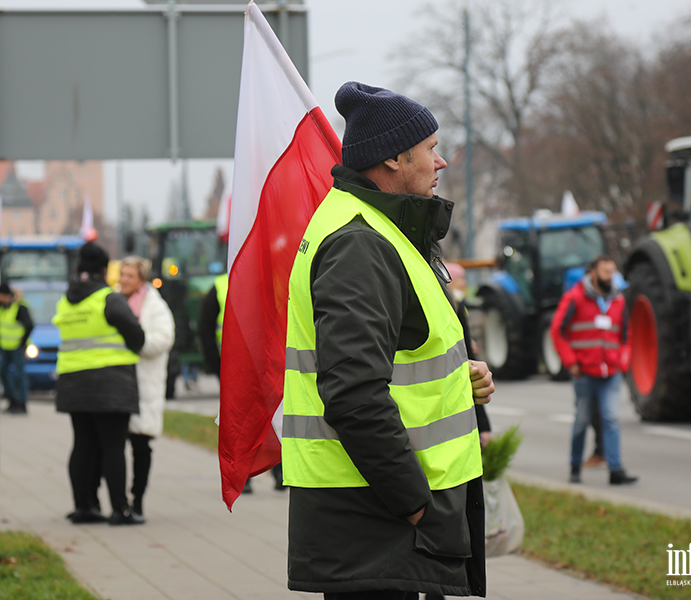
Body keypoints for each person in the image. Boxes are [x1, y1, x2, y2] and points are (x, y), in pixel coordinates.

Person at [282, 82, 493, 599]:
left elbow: (398, 356)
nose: (440, 162)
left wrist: (458, 378)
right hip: (382, 523)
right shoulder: (360, 242)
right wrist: (418, 506)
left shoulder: (380, 228)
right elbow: (354, 393)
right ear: (395, 159)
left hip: (386, 519)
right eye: (431, 148)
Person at [54, 242, 145, 525]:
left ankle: (84, 506)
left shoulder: (65, 301)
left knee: (82, 444)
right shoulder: (109, 299)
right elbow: (137, 337)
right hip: (110, 384)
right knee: (112, 446)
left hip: (73, 383)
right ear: (105, 270)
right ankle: (120, 509)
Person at [551, 255, 637, 486]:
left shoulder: (618, 300)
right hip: (584, 373)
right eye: (606, 272)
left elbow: (626, 335)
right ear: (593, 274)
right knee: (581, 420)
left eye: (613, 272)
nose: (611, 277)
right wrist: (571, 363)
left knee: (611, 419)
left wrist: (623, 362)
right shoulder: (575, 298)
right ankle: (575, 466)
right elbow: (557, 331)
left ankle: (616, 469)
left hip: (611, 372)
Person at [199, 273, 285, 493]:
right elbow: (206, 329)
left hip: (259, 363)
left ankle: (275, 471)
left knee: (263, 416)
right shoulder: (221, 285)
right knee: (247, 419)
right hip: (237, 366)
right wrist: (216, 364)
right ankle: (247, 474)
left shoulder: (265, 278)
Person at [118, 256, 175, 522]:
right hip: (116, 383)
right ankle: (119, 502)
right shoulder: (114, 301)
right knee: (113, 447)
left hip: (144, 386)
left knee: (140, 446)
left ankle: (138, 500)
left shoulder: (155, 306)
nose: (124, 280)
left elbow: (163, 339)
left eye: (130, 275)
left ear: (141, 279)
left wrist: (137, 343)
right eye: (122, 274)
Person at [445, 262, 492, 448]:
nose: (465, 283)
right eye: (460, 279)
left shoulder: (460, 304)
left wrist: (483, 425)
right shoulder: (451, 304)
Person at [0, 283, 33, 415]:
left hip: (17, 347)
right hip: (5, 347)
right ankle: (12, 400)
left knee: (19, 375)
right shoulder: (1, 308)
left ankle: (22, 404)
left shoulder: (19, 308)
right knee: (1, 372)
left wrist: (22, 343)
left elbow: (29, 326)